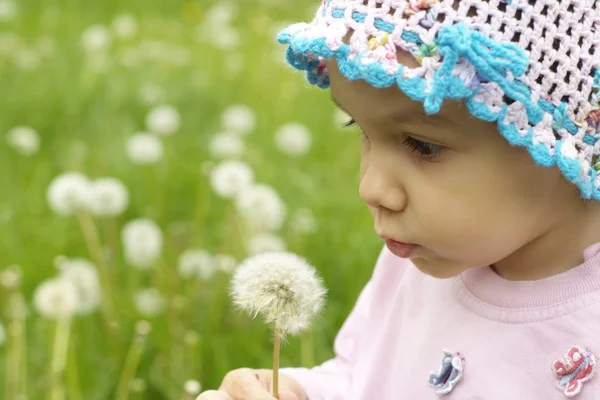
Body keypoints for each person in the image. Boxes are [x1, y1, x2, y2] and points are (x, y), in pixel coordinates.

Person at [198, 0, 600, 398]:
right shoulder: (416, 261)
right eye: (358, 127)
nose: (371, 188)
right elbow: (364, 376)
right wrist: (299, 392)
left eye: (423, 146)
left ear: (558, 138)